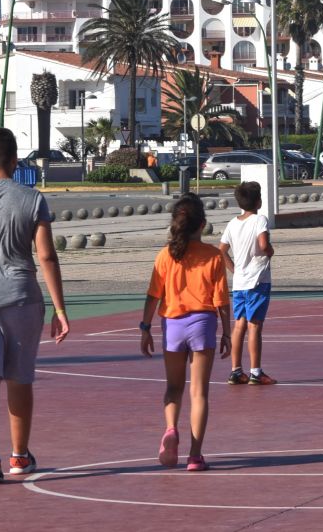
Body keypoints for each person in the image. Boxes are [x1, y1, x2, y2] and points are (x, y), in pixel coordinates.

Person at [0, 128, 69, 480]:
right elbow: (47, 256)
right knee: (19, 377)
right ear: (13, 159)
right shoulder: (31, 198)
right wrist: (60, 308)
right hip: (21, 295)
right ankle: (19, 456)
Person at [140, 194, 231, 471]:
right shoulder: (213, 256)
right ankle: (194, 454)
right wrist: (227, 333)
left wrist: (145, 328)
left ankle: (170, 428)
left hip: (173, 325)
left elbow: (152, 296)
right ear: (202, 224)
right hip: (202, 323)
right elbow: (221, 301)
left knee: (173, 387)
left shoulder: (166, 255)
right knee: (199, 392)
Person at [217, 180, 276, 385]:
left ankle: (235, 370)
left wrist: (234, 269)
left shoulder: (233, 223)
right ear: (258, 201)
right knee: (255, 325)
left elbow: (221, 250)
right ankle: (256, 372)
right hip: (257, 279)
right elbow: (262, 243)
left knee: (239, 324)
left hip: (240, 282)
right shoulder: (260, 220)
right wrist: (269, 251)